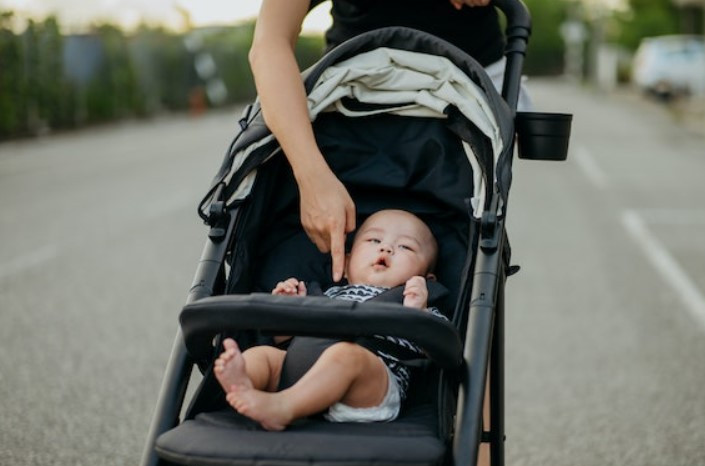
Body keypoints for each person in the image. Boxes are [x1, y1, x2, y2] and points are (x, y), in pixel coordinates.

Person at [248, 0, 532, 285]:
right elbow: (269, 44)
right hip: (354, 86)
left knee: (479, 217)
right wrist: (312, 176)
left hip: (470, 88)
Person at [213, 209, 447, 431]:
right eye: (374, 241)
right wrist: (288, 310)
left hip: (368, 388)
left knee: (346, 355)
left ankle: (282, 407)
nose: (386, 248)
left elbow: (443, 350)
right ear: (345, 264)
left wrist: (419, 315)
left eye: (405, 246)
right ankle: (242, 385)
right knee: (262, 355)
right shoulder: (326, 295)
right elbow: (283, 339)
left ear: (427, 279)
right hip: (301, 373)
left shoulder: (417, 305)